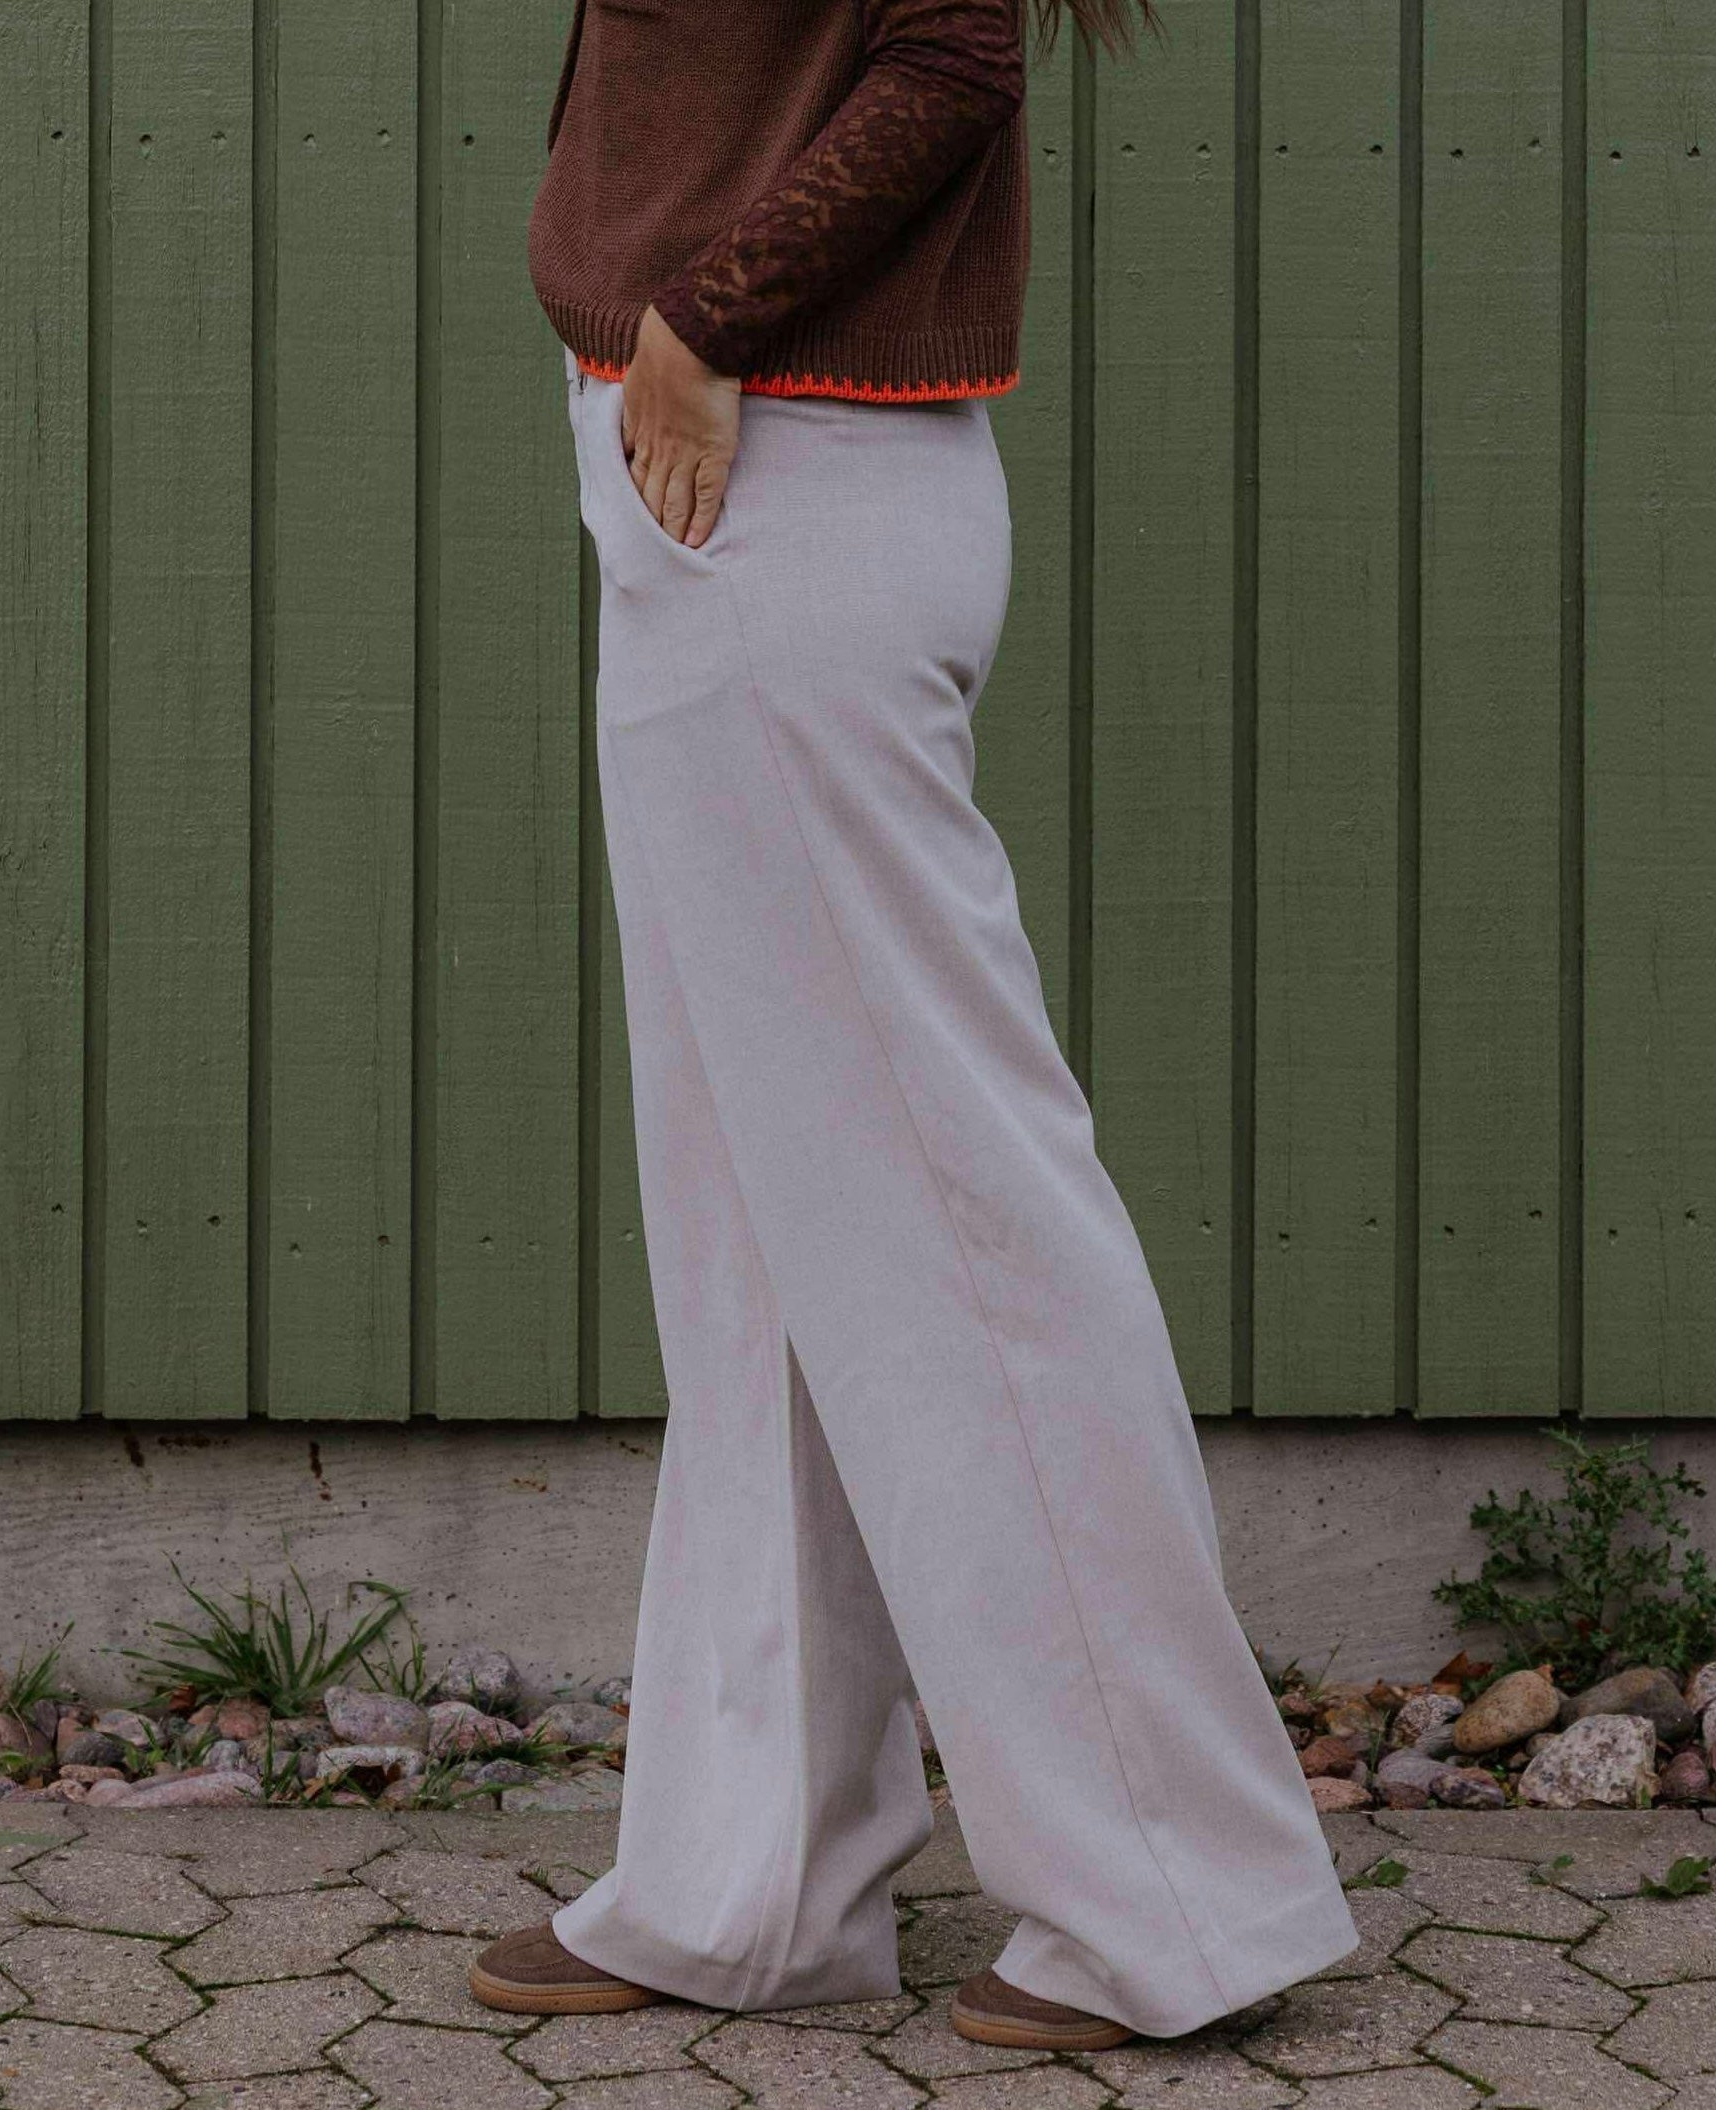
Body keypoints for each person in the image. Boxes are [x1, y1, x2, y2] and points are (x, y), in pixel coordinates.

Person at [470, 0, 1360, 2052]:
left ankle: (1175, 1895)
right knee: (759, 1241)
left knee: (959, 1225)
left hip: (777, 474)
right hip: (707, 479)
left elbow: (953, 52)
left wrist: (704, 316)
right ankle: (753, 1882)